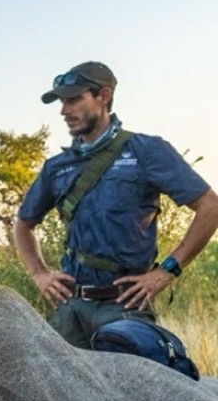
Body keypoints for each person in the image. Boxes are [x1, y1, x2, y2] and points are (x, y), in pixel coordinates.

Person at [15, 61, 218, 348]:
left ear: (103, 96)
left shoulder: (146, 151)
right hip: (69, 311)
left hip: (124, 308)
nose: (64, 111)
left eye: (74, 99)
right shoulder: (56, 167)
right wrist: (39, 273)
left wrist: (165, 273)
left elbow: (210, 207)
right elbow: (24, 225)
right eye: (62, 102)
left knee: (135, 391)